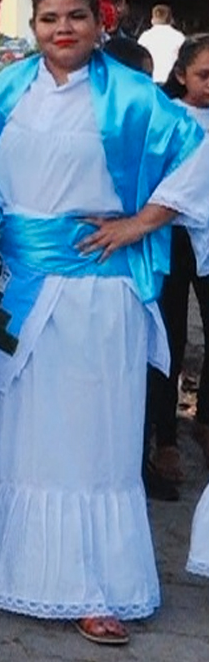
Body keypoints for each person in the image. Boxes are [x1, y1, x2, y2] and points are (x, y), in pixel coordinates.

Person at [0, 0, 209, 646]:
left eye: (76, 16)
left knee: (94, 439)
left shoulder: (133, 97)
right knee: (21, 437)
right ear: (34, 24)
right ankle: (29, 577)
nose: (62, 29)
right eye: (49, 18)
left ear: (102, 24)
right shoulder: (1, 91)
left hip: (98, 293)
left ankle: (97, 587)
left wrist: (141, 223)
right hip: (16, 286)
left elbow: (199, 157)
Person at [147, 35, 209, 500]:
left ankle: (203, 420)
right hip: (170, 233)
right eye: (204, 75)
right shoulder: (165, 115)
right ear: (182, 74)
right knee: (169, 339)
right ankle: (164, 439)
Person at [138, 4, 185, 85]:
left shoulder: (145, 37)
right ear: (171, 20)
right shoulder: (179, 37)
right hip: (172, 83)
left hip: (150, 81)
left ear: (152, 20)